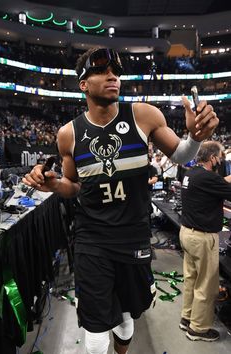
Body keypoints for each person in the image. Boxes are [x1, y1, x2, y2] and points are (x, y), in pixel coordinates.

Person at [23, 47, 219, 354]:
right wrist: (54, 184)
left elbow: (180, 154)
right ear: (83, 84)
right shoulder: (68, 134)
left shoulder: (144, 115)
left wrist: (195, 137)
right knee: (96, 329)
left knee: (127, 318)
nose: (112, 75)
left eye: (116, 70)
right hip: (92, 238)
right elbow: (74, 186)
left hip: (134, 236)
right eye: (101, 70)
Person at [179, 141, 231, 342]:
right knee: (206, 285)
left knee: (191, 280)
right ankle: (198, 329)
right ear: (213, 158)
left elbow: (220, 183)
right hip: (202, 238)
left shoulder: (192, 174)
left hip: (187, 233)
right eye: (220, 157)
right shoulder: (208, 178)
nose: (222, 160)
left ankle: (187, 317)